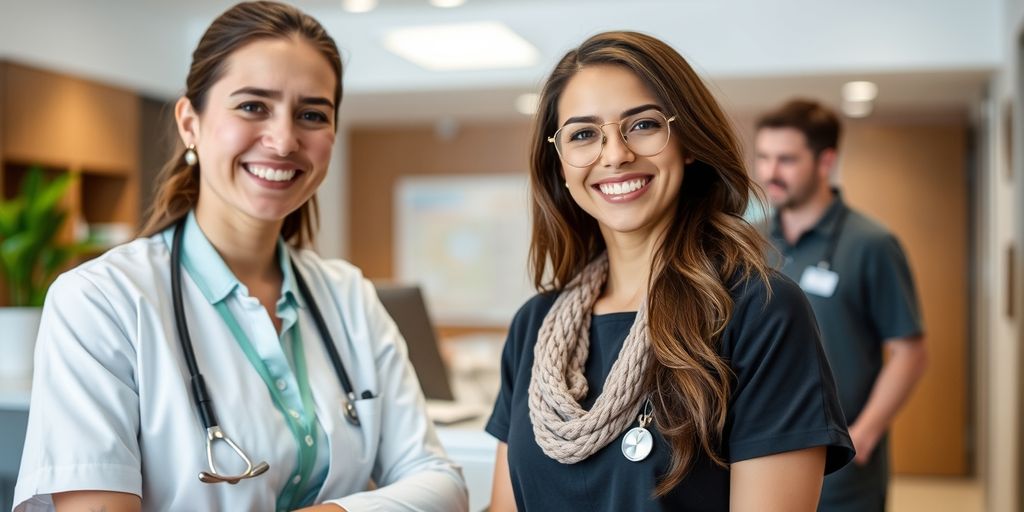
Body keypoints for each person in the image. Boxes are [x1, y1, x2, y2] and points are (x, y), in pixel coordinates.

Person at [13, 2, 467, 511]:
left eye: (312, 114)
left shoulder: (348, 297)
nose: (283, 139)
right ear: (190, 122)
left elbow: (440, 482)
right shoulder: (101, 301)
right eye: (253, 106)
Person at [486, 31, 854, 511]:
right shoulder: (534, 326)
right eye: (583, 134)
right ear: (559, 165)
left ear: (689, 142)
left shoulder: (759, 313)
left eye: (642, 125)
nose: (614, 154)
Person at [754, 98, 928, 511]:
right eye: (762, 157)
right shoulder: (749, 242)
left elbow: (910, 353)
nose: (769, 173)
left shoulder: (871, 244)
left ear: (825, 160)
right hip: (762, 458)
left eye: (785, 160)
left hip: (842, 469)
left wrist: (865, 433)